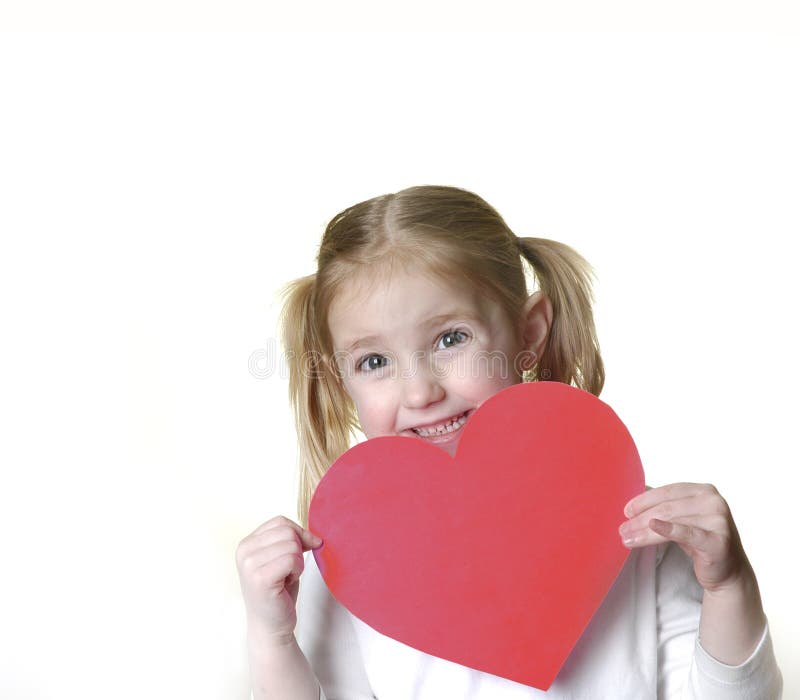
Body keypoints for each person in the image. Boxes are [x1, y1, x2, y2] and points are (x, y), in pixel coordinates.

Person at [235, 185, 783, 699]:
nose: (421, 391)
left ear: (529, 334)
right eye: (374, 361)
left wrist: (729, 586)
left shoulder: (638, 527)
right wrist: (273, 637)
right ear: (340, 380)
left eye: (451, 338)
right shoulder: (346, 566)